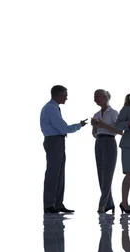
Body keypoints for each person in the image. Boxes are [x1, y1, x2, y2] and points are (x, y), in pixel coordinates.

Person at [40, 85, 88, 214]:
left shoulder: (53, 107)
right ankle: (50, 205)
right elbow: (63, 128)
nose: (66, 97)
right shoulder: (51, 108)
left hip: (57, 141)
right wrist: (79, 125)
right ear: (58, 94)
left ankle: (57, 204)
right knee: (53, 174)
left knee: (59, 173)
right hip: (54, 141)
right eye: (65, 94)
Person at [91, 89, 121, 214]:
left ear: (105, 98)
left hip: (110, 142)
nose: (95, 99)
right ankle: (110, 203)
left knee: (107, 175)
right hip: (99, 142)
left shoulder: (113, 113)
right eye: (94, 97)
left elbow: (119, 131)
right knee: (101, 174)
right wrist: (94, 126)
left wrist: (103, 125)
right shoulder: (96, 114)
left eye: (97, 97)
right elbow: (94, 134)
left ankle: (102, 204)